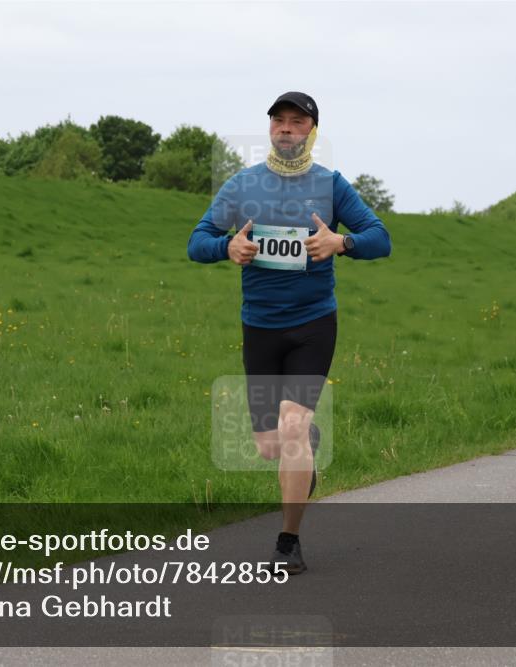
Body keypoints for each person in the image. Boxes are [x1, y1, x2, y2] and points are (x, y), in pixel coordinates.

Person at [187, 92, 392, 574]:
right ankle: (306, 447)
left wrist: (343, 241)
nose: (285, 129)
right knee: (270, 444)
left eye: (296, 122)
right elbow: (196, 243)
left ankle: (288, 542)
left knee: (293, 426)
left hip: (312, 324)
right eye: (278, 121)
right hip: (260, 327)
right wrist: (227, 246)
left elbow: (380, 238)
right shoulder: (242, 185)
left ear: (312, 131)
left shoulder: (331, 185)